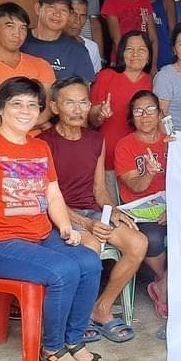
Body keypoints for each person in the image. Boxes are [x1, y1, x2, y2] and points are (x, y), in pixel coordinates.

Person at [0, 76, 107, 361]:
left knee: (88, 261)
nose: (25, 111)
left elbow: (53, 194)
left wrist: (64, 228)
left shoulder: (39, 148)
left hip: (40, 236)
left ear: (41, 110)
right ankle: (52, 349)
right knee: (63, 271)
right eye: (16, 103)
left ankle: (74, 340)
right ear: (1, 108)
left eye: (33, 105)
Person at [39, 77, 148, 342]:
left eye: (83, 102)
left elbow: (99, 189)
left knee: (138, 243)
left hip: (91, 212)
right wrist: (86, 225)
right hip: (59, 215)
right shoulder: (44, 143)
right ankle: (79, 315)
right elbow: (48, 197)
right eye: (70, 103)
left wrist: (114, 210)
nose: (78, 110)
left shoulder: (95, 139)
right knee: (91, 246)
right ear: (54, 107)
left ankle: (101, 308)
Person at [114, 91, 170, 319]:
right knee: (153, 238)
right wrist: (147, 174)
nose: (145, 116)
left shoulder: (172, 141)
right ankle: (163, 284)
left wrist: (173, 209)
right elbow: (134, 187)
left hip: (172, 206)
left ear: (159, 114)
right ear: (131, 117)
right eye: (138, 111)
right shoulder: (124, 146)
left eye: (150, 110)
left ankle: (163, 286)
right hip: (139, 212)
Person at [0, 2, 56, 129]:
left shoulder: (42, 65)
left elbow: (48, 111)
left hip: (40, 144)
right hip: (1, 145)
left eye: (23, 28)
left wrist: (4, 121)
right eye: (10, 26)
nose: (17, 34)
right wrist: (40, 124)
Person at [89, 31, 153, 180]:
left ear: (149, 56)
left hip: (141, 157)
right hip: (109, 154)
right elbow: (91, 120)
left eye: (142, 50)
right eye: (129, 49)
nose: (135, 54)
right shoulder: (106, 76)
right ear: (121, 53)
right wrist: (99, 113)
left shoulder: (152, 81)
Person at [22, 0, 96, 83]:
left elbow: (83, 91)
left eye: (63, 10)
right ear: (38, 9)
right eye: (52, 7)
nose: (57, 14)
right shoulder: (20, 39)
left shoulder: (77, 50)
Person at [66, 0, 102, 73]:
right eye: (73, 14)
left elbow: (95, 83)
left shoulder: (91, 47)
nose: (78, 21)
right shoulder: (47, 44)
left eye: (83, 16)